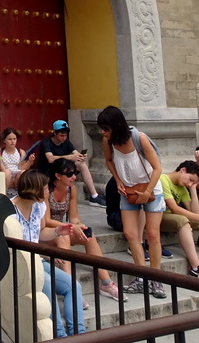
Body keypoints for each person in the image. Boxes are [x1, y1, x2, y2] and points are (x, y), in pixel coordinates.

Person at [97, 105, 166, 298]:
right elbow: (109, 160)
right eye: (102, 128)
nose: (104, 132)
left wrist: (148, 192)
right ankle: (141, 275)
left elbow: (157, 168)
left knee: (152, 235)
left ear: (117, 125)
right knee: (130, 233)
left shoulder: (139, 138)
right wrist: (118, 180)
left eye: (106, 128)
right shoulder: (107, 140)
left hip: (150, 189)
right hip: (127, 190)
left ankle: (156, 278)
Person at [10, 169, 87, 336]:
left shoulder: (39, 206)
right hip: (22, 263)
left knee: (73, 286)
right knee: (48, 285)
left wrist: (58, 231)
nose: (47, 191)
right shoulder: (10, 210)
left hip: (37, 259)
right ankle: (59, 334)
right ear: (34, 189)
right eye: (45, 188)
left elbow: (41, 233)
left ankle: (79, 333)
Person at [48, 159, 127, 301]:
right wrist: (71, 227)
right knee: (63, 237)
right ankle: (71, 289)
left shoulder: (71, 189)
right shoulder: (47, 190)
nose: (74, 177)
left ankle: (106, 283)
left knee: (89, 235)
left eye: (75, 173)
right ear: (58, 176)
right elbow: (46, 221)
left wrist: (80, 225)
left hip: (63, 229)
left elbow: (74, 217)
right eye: (70, 174)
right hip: (46, 233)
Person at [38, 120, 107, 207]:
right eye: (61, 135)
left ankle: (94, 196)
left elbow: (75, 153)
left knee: (81, 164)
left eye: (65, 135)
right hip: (49, 171)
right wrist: (69, 157)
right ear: (54, 133)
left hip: (63, 171)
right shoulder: (46, 142)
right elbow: (50, 159)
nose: (64, 138)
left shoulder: (66, 142)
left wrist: (81, 156)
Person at [0, 127, 34, 195]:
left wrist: (29, 161)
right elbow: (2, 168)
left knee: (22, 173)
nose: (12, 141)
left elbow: (21, 168)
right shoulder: (0, 152)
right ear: (4, 140)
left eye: (14, 139)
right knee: (6, 172)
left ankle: (20, 194)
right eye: (9, 139)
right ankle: (5, 194)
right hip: (6, 177)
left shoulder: (21, 152)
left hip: (17, 179)